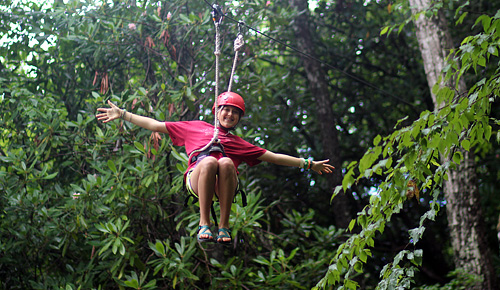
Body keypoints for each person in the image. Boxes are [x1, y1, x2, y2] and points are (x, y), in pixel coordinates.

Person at [96, 92, 334, 244]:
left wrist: (307, 163)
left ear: (239, 119)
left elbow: (273, 157)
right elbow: (155, 125)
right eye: (226, 110)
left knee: (226, 161)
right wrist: (123, 114)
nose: (229, 114)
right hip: (196, 178)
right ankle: (203, 223)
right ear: (217, 111)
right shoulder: (195, 127)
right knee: (209, 160)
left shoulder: (237, 143)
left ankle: (223, 226)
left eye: (235, 113)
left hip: (224, 184)